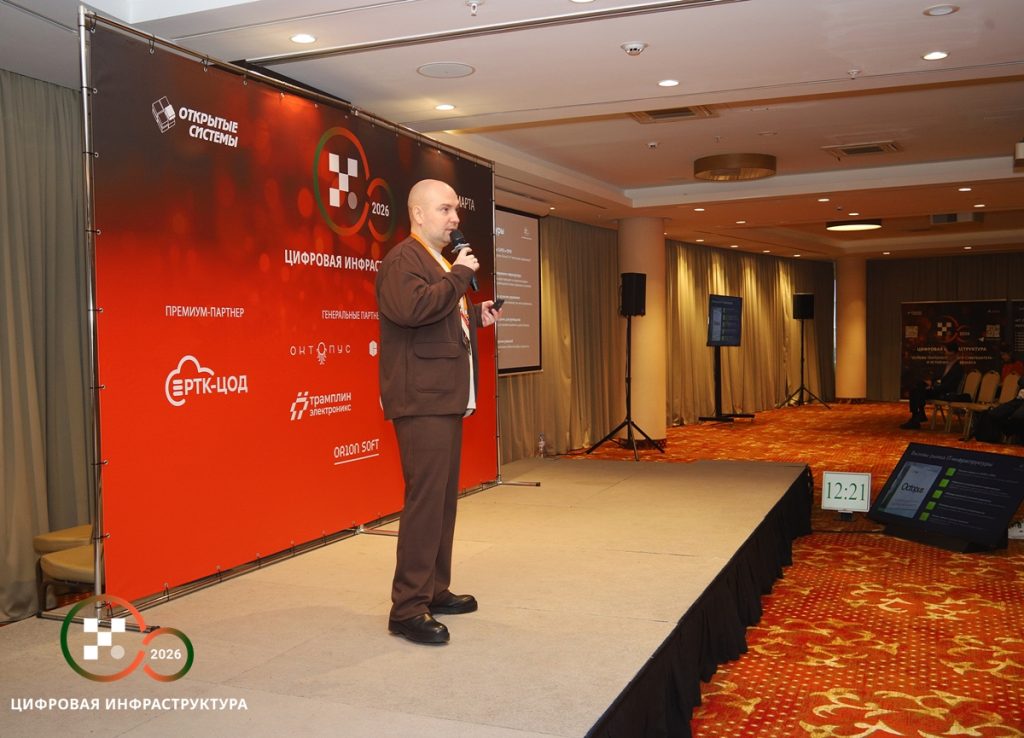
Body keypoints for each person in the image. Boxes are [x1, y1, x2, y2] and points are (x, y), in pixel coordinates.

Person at [375, 178, 501, 645]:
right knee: (426, 502)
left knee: (443, 501)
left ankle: (433, 589)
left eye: (455, 210)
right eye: (445, 209)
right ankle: (407, 609)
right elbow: (412, 310)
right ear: (418, 214)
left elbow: (438, 314)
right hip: (421, 399)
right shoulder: (402, 260)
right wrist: (460, 276)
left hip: (443, 398)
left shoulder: (438, 261)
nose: (455, 218)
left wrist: (476, 313)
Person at [901, 343, 964, 430]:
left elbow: (949, 385)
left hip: (945, 393)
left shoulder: (958, 368)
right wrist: (931, 382)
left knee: (917, 390)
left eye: (949, 354)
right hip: (938, 389)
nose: (946, 356)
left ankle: (917, 416)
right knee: (916, 387)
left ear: (955, 353)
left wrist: (934, 387)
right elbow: (939, 378)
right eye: (946, 354)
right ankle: (917, 415)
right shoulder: (947, 365)